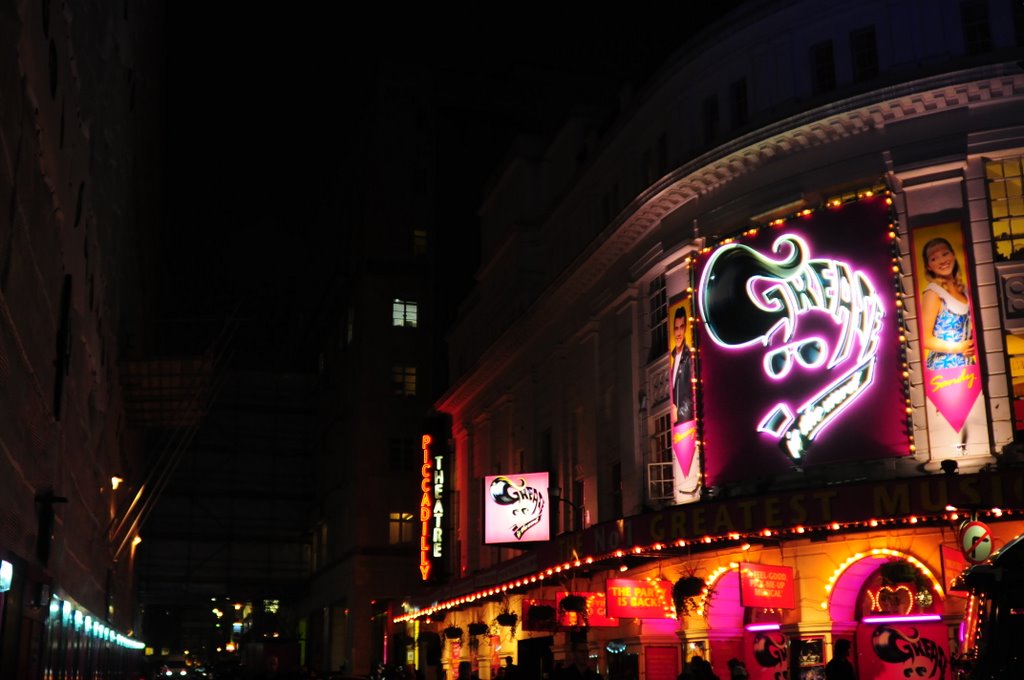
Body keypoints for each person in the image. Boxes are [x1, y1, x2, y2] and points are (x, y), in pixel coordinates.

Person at [920, 237, 975, 369]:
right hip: (943, 370)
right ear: (929, 266)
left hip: (968, 367)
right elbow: (925, 339)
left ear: (953, 255)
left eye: (945, 254)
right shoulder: (933, 293)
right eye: (934, 258)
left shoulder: (964, 290)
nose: (942, 260)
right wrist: (958, 347)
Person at [671, 307, 693, 423]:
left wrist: (678, 415)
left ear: (685, 329)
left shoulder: (689, 357)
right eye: (676, 328)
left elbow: (692, 396)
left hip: (685, 425)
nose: (678, 332)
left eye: (681, 327)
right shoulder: (673, 358)